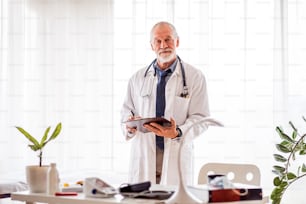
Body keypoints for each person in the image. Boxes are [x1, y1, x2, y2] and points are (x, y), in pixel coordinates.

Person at [120, 21, 210, 185]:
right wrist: (129, 124)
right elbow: (126, 113)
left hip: (175, 152)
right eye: (158, 41)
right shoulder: (137, 79)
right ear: (152, 45)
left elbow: (201, 118)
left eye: (168, 39)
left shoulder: (194, 77)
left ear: (177, 41)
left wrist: (178, 132)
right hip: (145, 154)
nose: (163, 45)